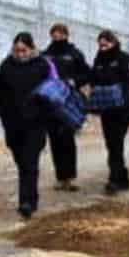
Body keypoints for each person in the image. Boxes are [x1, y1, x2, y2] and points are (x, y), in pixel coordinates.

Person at [0, 32, 52, 218]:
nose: (20, 54)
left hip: (35, 123)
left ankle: (27, 201)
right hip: (13, 123)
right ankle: (29, 196)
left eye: (24, 50)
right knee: (21, 162)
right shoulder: (6, 66)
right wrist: (4, 115)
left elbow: (52, 92)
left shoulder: (42, 65)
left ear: (31, 48)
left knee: (30, 161)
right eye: (17, 50)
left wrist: (43, 114)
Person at [41, 23, 91, 192]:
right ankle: (60, 177)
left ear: (66, 35)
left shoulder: (74, 54)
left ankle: (70, 177)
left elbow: (87, 73)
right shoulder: (45, 55)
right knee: (54, 138)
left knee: (67, 138)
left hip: (69, 101)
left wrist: (74, 81)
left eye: (60, 33)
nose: (57, 36)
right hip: (51, 103)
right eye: (54, 33)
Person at [88, 29, 129, 193]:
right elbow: (93, 78)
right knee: (112, 144)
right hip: (106, 108)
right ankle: (122, 177)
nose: (103, 47)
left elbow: (128, 81)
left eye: (106, 44)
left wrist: (116, 94)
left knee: (115, 142)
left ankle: (114, 180)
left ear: (113, 42)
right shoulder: (98, 60)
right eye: (100, 44)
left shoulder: (125, 58)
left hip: (123, 108)